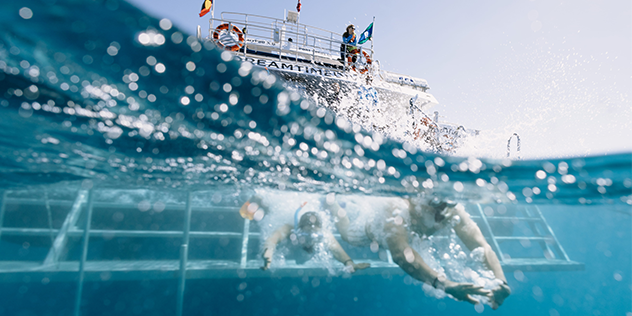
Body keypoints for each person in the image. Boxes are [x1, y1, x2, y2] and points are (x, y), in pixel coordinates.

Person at [325, 195, 511, 309]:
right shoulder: (395, 208)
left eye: (447, 203)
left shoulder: (452, 210)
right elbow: (401, 254)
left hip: (403, 232)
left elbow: (481, 246)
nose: (442, 211)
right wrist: (445, 285)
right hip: (367, 230)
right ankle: (333, 202)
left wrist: (500, 280)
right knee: (348, 234)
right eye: (435, 204)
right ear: (418, 198)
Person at [240, 192, 370, 273]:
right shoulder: (289, 227)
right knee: (260, 206)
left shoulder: (324, 232)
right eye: (305, 235)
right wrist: (268, 252)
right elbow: (272, 240)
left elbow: (336, 249)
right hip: (284, 204)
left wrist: (349, 263)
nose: (310, 240)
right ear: (298, 230)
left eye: (315, 236)